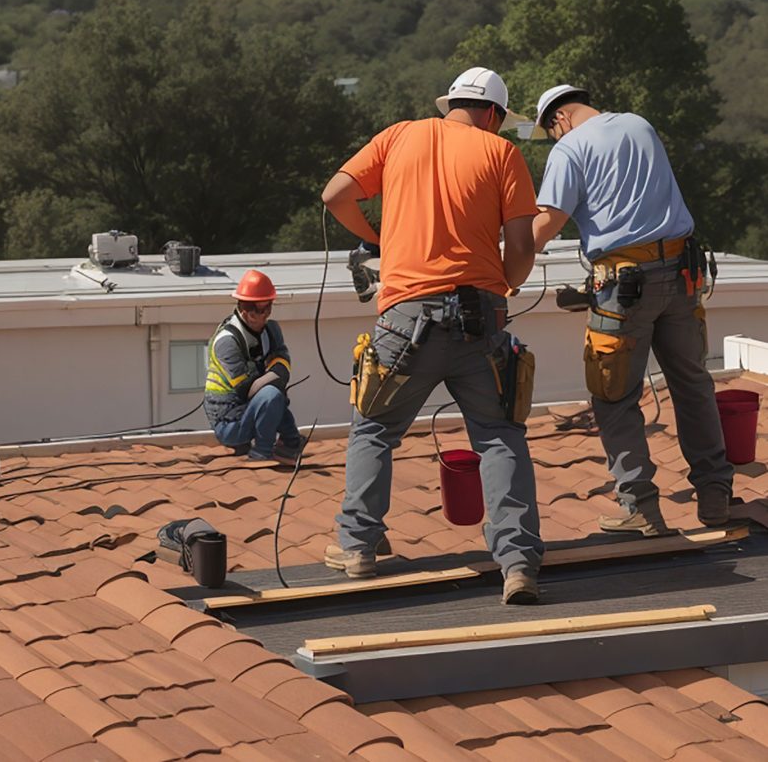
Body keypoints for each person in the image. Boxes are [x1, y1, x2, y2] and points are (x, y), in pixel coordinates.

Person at [321, 66, 544, 605]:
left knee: (374, 431)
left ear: (452, 105)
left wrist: (381, 241)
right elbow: (521, 244)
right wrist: (504, 288)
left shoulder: (399, 136)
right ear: (492, 114)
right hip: (480, 320)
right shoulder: (501, 154)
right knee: (498, 435)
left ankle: (357, 548)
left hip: (405, 319)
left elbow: (334, 195)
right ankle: (516, 565)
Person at [532, 85, 734, 535]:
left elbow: (547, 221)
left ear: (558, 119)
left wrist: (505, 263)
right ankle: (716, 496)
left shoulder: (569, 148)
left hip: (624, 287)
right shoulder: (639, 125)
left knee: (614, 395)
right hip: (682, 276)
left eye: (551, 133)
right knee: (692, 385)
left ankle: (640, 507)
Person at [204, 269, 303, 462]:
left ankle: (291, 442)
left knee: (274, 393)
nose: (265, 315)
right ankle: (263, 451)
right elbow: (246, 389)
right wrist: (275, 377)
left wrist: (277, 375)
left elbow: (282, 361)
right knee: (272, 395)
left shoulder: (271, 330)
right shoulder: (227, 342)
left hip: (249, 409)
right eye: (260, 310)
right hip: (229, 421)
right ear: (245, 312)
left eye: (269, 308)